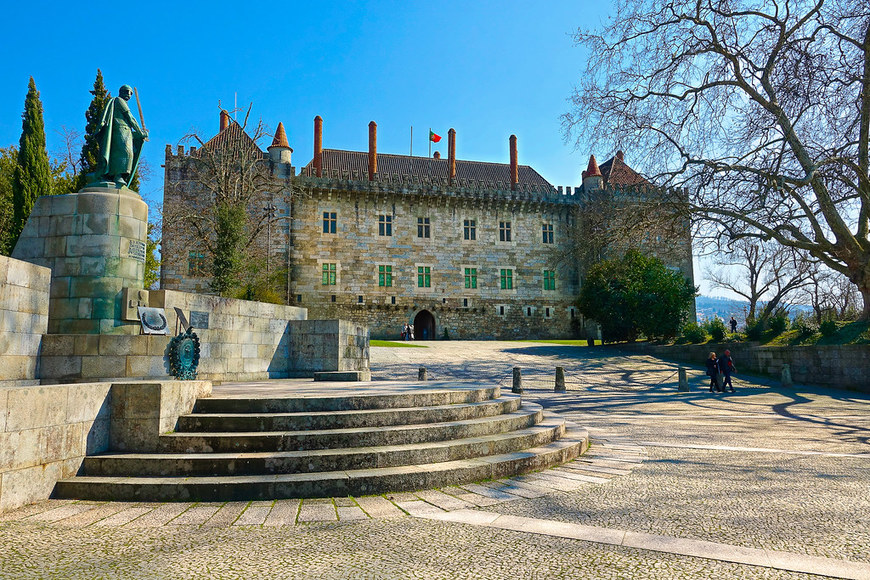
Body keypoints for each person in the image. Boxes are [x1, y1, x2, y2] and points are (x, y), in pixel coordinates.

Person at [93, 85, 148, 187]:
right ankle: (118, 175)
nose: (129, 94)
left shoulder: (121, 102)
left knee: (126, 153)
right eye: (126, 91)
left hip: (126, 131)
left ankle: (116, 175)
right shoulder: (119, 101)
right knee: (126, 153)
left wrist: (140, 135)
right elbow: (130, 118)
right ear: (121, 92)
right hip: (120, 131)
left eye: (131, 93)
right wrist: (140, 132)